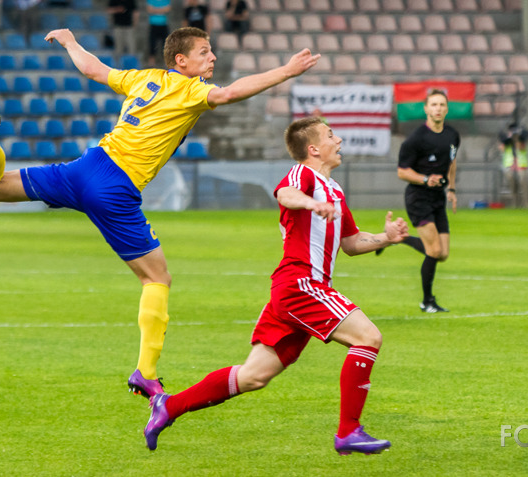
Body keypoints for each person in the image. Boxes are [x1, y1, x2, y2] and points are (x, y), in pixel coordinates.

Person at [0, 27, 320, 404]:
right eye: (205, 52)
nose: (213, 58)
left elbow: (92, 70)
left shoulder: (143, 79)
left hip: (86, 167)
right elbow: (231, 92)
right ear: (181, 61)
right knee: (156, 277)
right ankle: (146, 373)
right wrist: (286, 71)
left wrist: (71, 41)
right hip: (115, 187)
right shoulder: (190, 89)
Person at [143, 117, 408, 454]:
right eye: (331, 135)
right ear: (313, 149)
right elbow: (285, 193)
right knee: (368, 337)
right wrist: (310, 203)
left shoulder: (335, 190)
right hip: (301, 283)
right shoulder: (305, 175)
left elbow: (351, 242)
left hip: (295, 290)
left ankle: (168, 406)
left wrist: (387, 237)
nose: (338, 140)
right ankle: (348, 432)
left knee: (253, 376)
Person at [378, 89, 458, 313]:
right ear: (426, 109)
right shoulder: (416, 139)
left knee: (442, 254)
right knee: (433, 251)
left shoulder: (452, 135)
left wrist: (451, 188)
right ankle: (427, 301)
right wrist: (425, 179)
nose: (438, 109)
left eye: (442, 104)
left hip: (438, 197)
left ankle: (399, 240)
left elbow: (452, 162)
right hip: (418, 197)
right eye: (433, 105)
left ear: (447, 108)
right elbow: (402, 172)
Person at [498, 122, 528, 208]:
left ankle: (527, 204)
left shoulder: (522, 139)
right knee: (513, 187)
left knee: (524, 186)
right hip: (510, 166)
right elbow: (501, 149)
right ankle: (515, 204)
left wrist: (517, 139)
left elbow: (521, 147)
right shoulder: (506, 141)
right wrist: (508, 140)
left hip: (521, 166)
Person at [146, 0, 171, 67]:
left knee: (165, 44)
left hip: (163, 24)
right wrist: (161, 10)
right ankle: (151, 63)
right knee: (152, 44)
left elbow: (168, 9)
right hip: (153, 24)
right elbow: (149, 10)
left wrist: (155, 10)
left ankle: (165, 62)